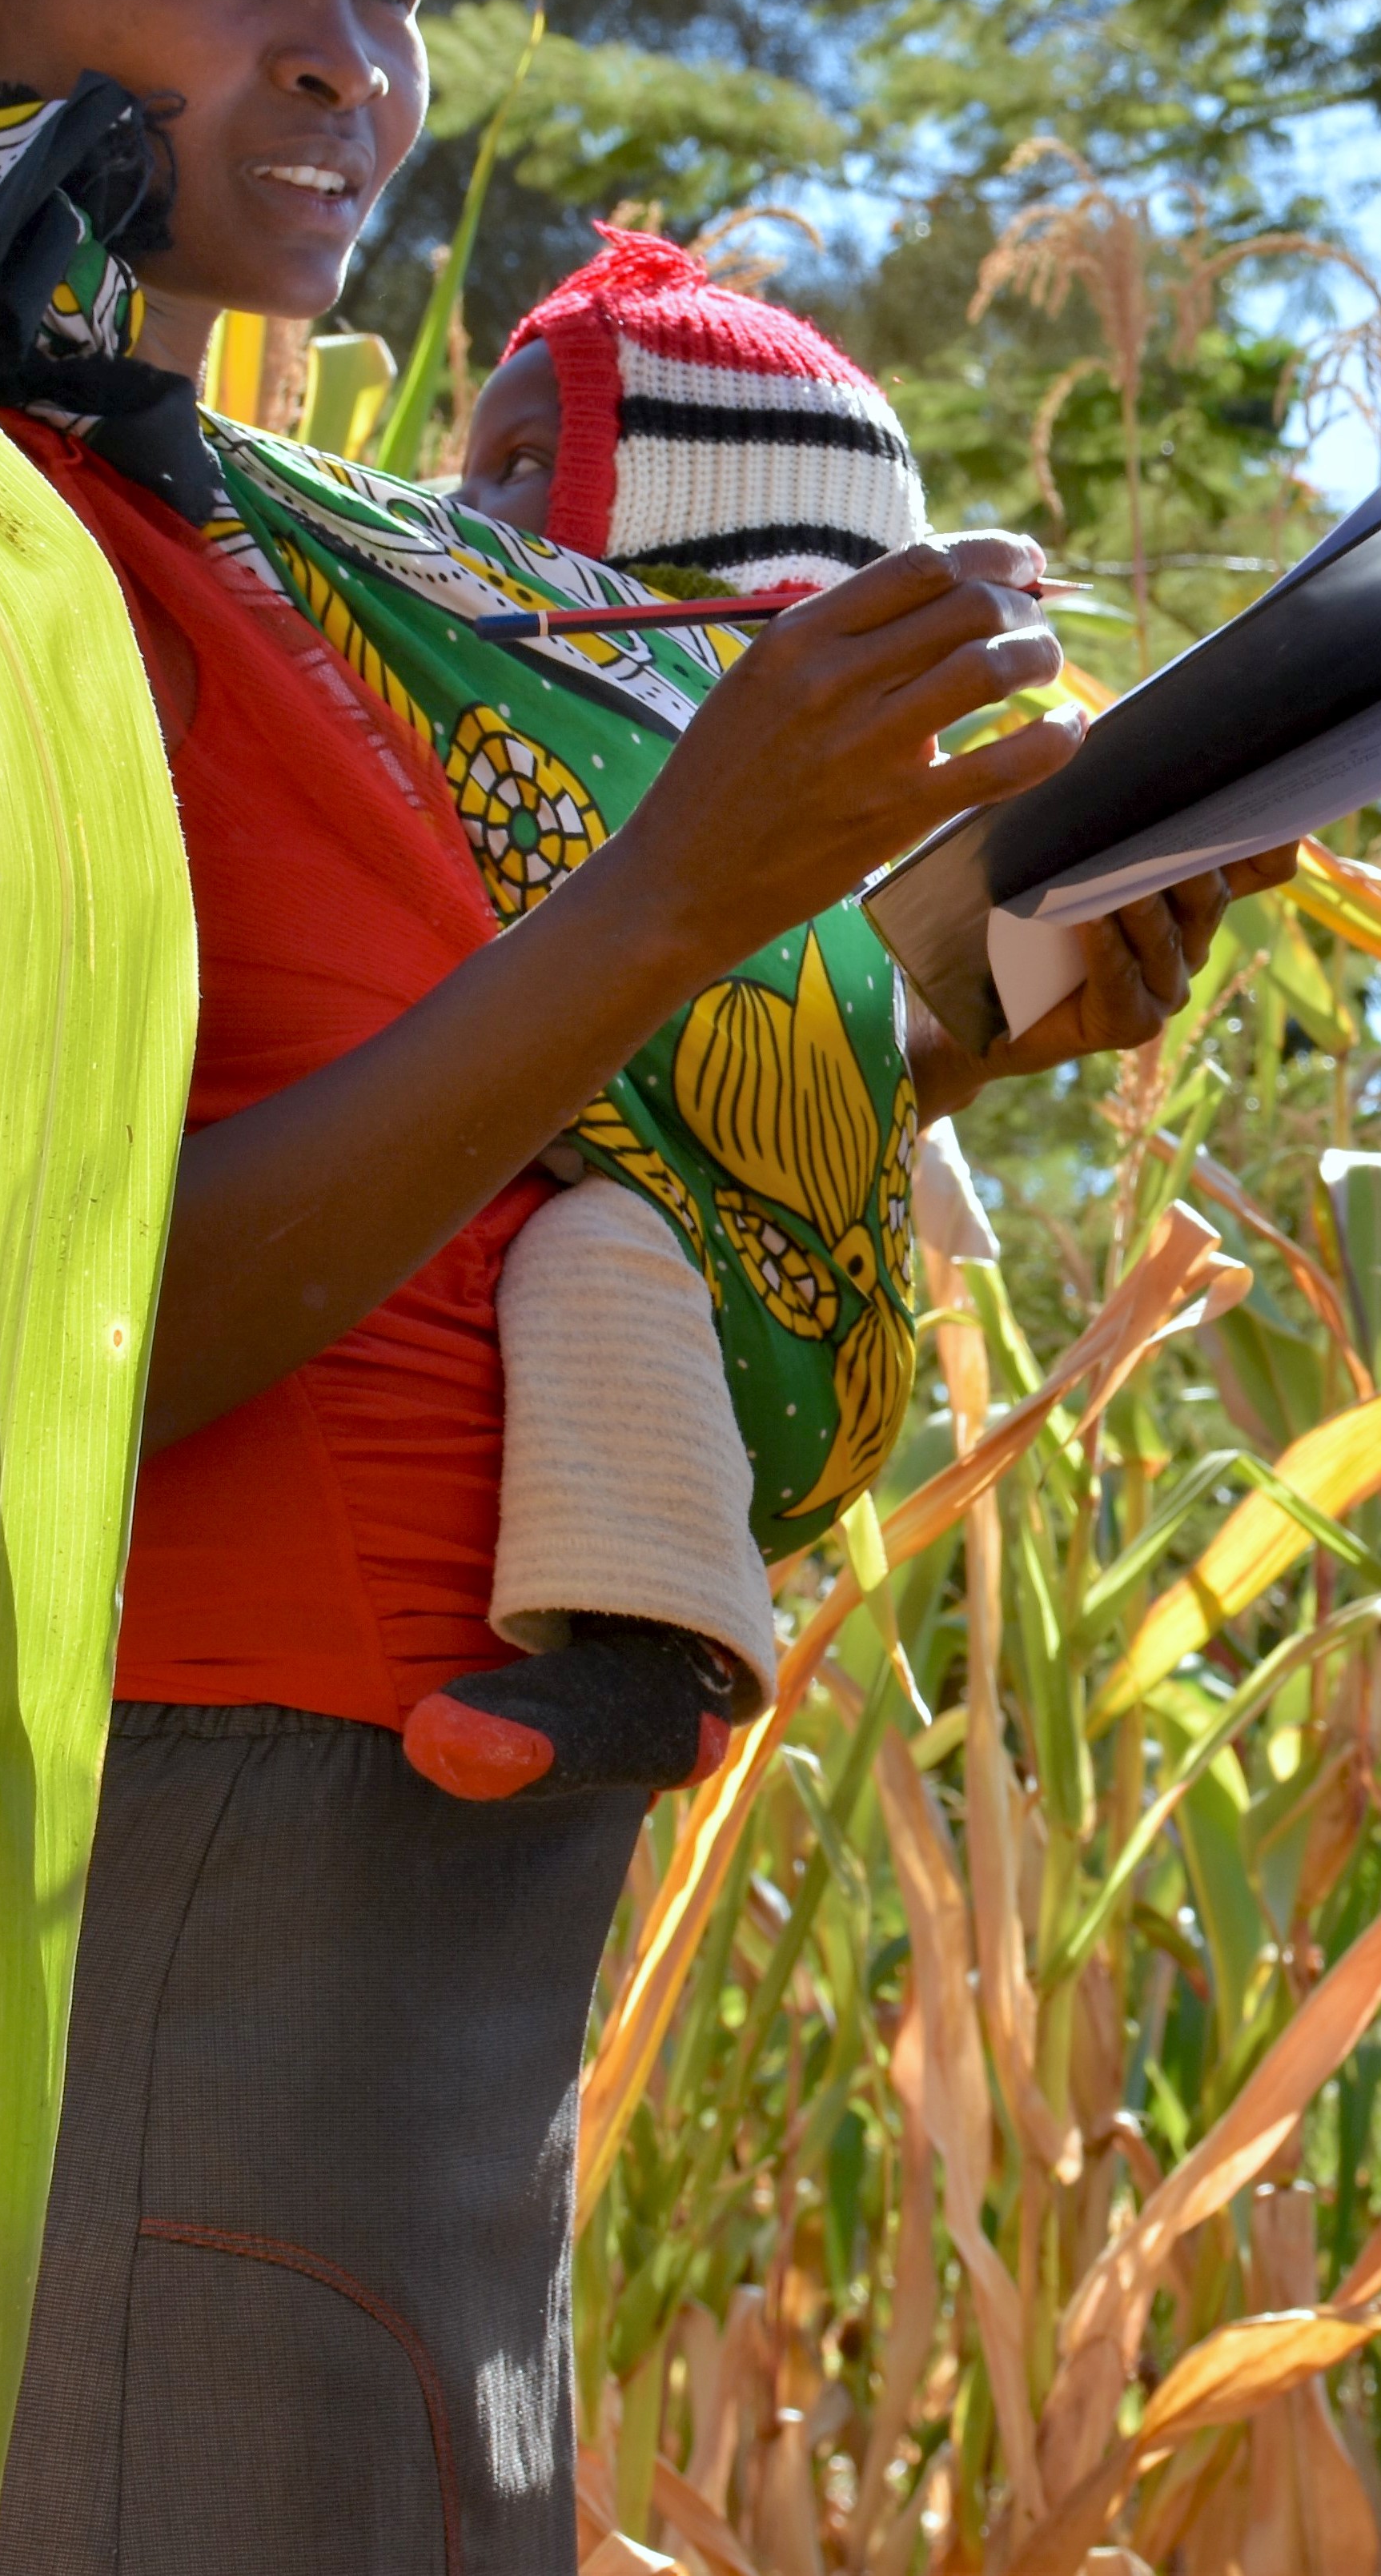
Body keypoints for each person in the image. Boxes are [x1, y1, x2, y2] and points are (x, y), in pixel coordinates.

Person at [0, 0, 1288, 2576]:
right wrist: (681, 878)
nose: (342, 50)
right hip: (172, 1847)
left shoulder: (287, 565)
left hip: (429, 1893)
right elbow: (38, 1337)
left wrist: (935, 1002)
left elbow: (496, 1127)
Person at [397, 228, 937, 1803]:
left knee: (589, 1244)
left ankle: (660, 1659)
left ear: (681, 523)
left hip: (733, 1265)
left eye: (514, 468)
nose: (454, 509)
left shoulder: (709, 773)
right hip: (762, 1227)